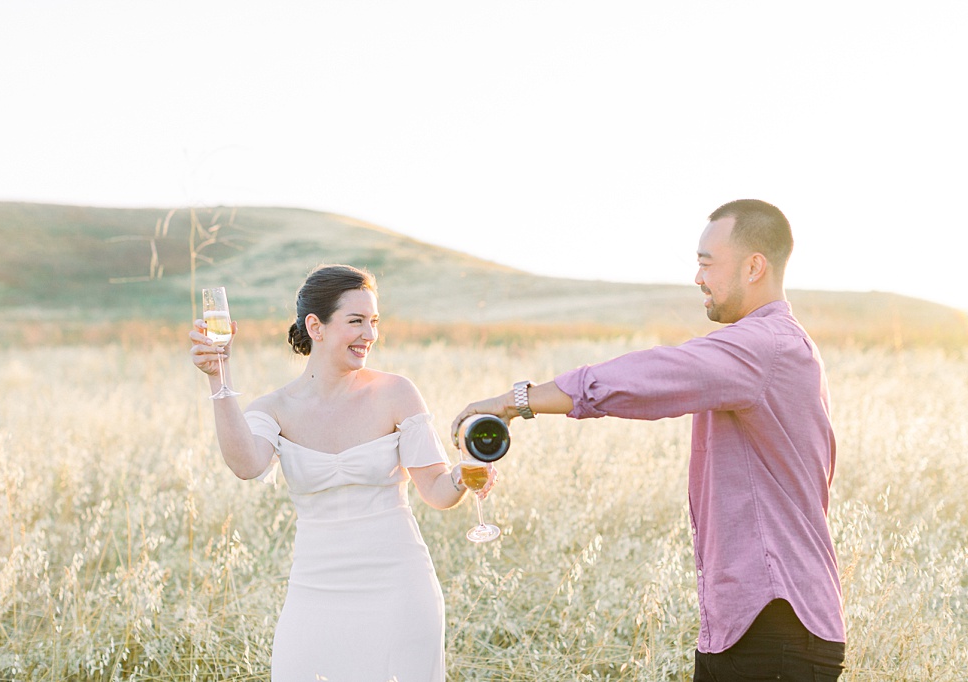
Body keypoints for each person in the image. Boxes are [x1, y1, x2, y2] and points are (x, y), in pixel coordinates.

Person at [451, 200, 846, 681]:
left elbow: (647, 377)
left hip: (776, 624)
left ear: (754, 267)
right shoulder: (774, 347)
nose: (697, 278)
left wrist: (517, 401)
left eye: (705, 263)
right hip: (748, 624)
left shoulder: (765, 346)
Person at [190, 264, 487, 682]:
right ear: (316, 326)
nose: (370, 334)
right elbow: (246, 465)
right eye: (356, 321)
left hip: (400, 589)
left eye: (374, 321)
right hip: (314, 593)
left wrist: (463, 475)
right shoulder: (275, 408)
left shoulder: (397, 392)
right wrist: (218, 378)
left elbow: (437, 492)